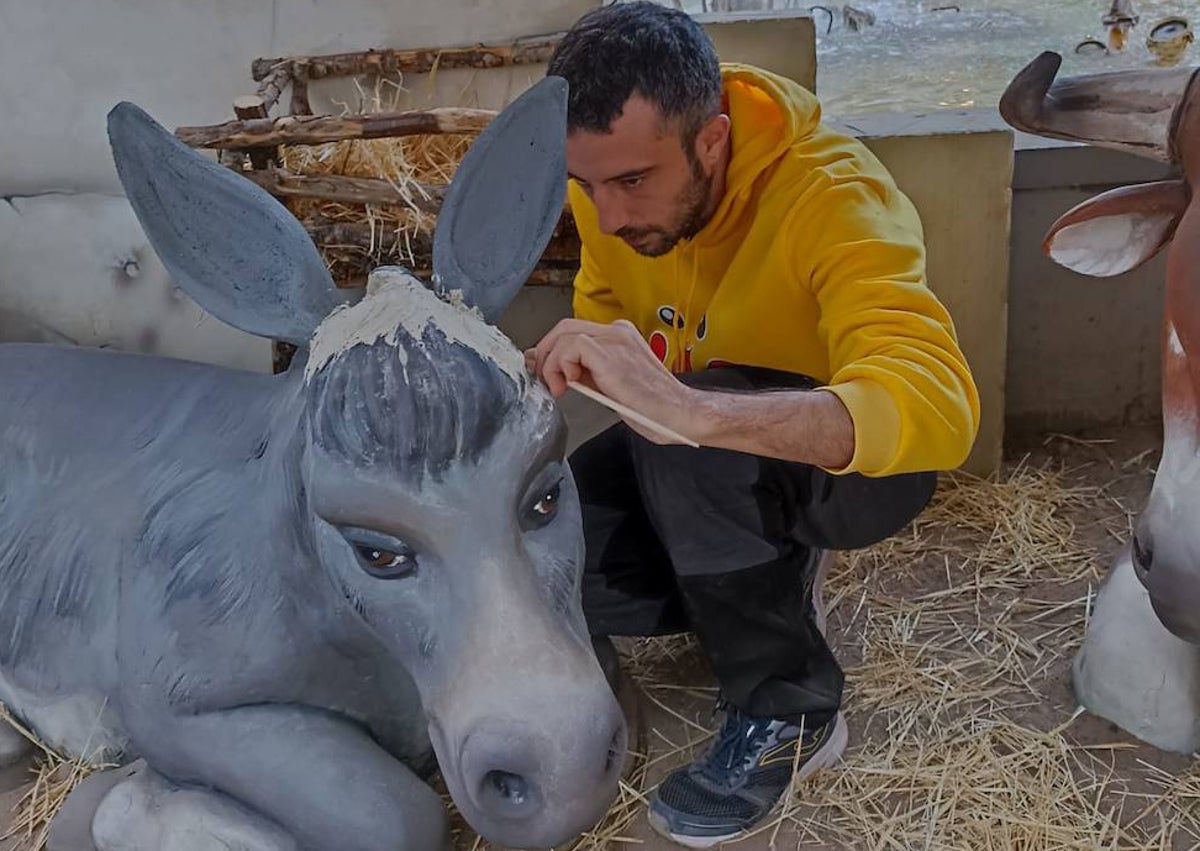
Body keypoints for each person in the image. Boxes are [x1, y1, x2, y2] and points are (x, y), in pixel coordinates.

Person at [525, 3, 981, 845]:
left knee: (692, 442)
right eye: (586, 185)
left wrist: (692, 409)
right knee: (550, 538)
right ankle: (751, 579)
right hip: (698, 447)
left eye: (632, 181)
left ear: (712, 141)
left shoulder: (834, 190)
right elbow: (608, 309)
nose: (609, 215)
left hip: (861, 470)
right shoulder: (606, 198)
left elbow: (938, 409)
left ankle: (792, 705)